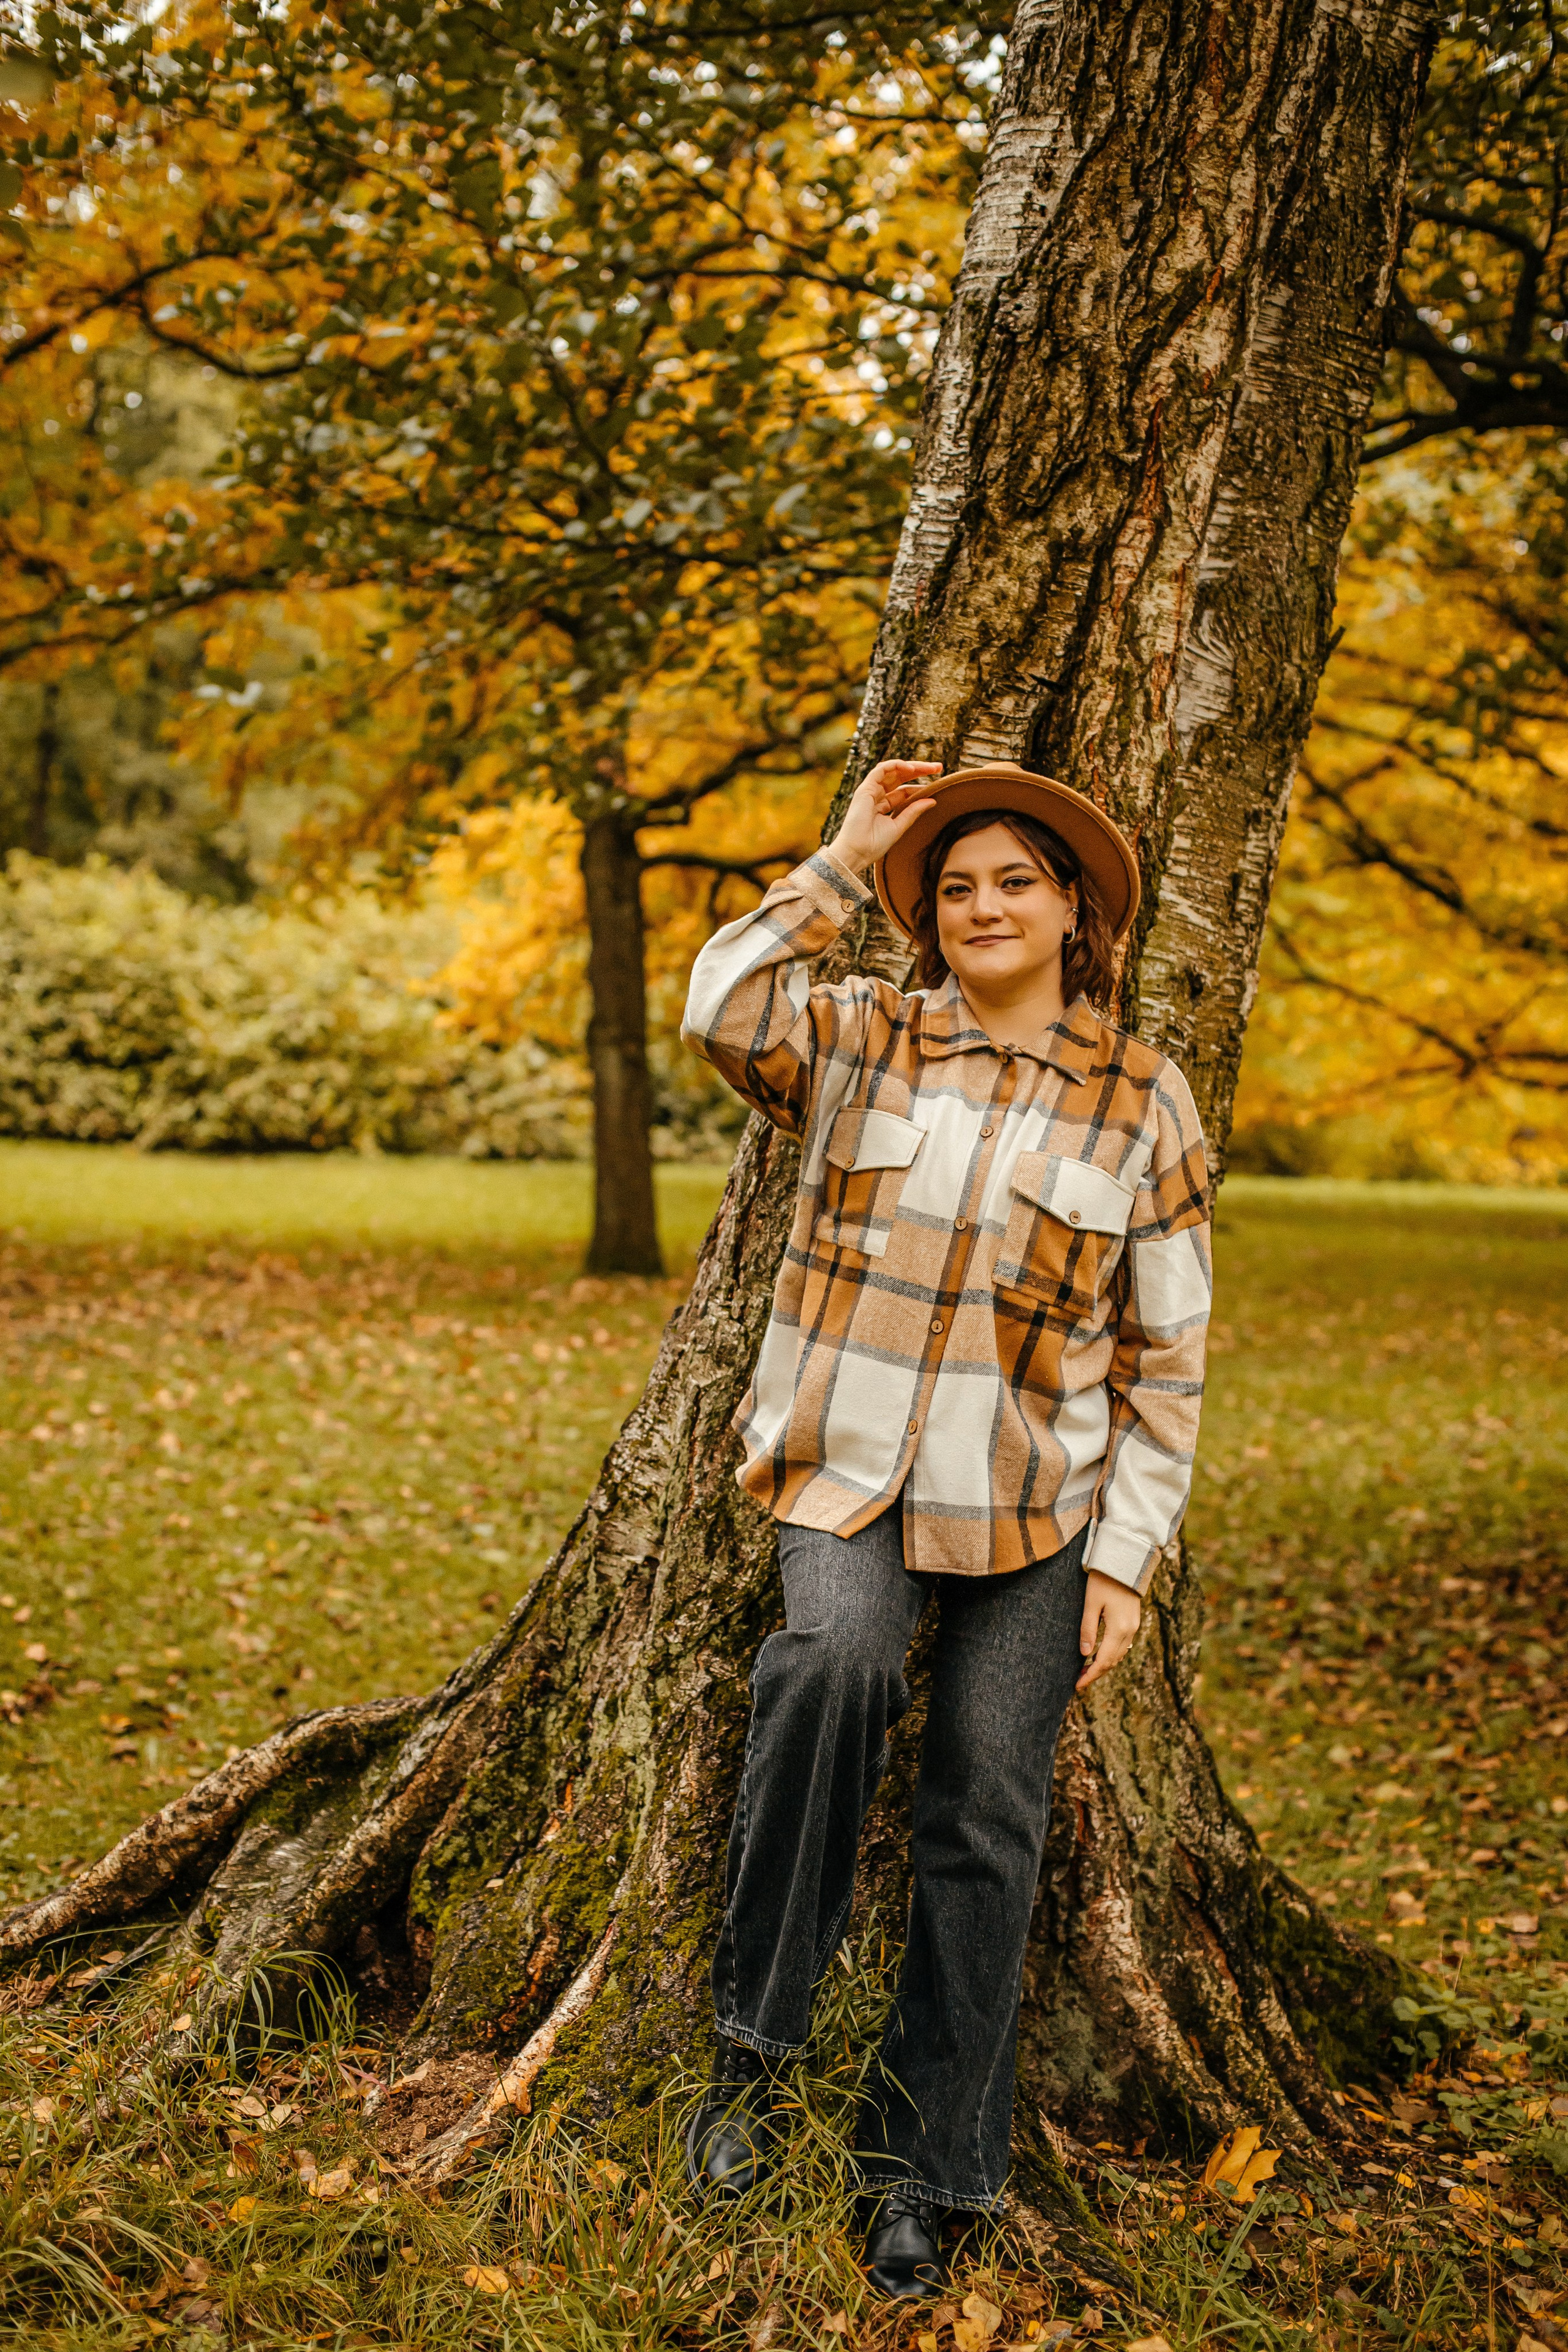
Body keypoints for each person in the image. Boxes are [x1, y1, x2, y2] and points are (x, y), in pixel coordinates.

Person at [678, 758, 1212, 2297]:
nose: (983, 907)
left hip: (1034, 1506)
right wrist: (844, 859)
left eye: (1014, 883)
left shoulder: (1142, 1098)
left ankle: (922, 2164)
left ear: (1073, 912)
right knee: (834, 1669)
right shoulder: (858, 1033)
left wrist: (1125, 1558)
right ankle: (750, 2057)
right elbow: (718, 1006)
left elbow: (1167, 1354)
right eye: (956, 886)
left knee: (987, 1802)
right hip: (844, 1471)